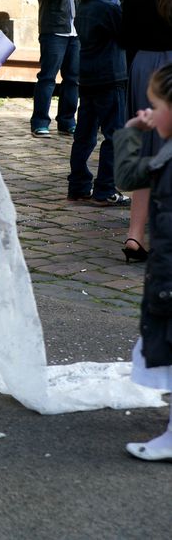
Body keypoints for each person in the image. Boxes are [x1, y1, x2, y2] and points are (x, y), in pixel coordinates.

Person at [114, 63, 172, 461]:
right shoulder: (166, 153)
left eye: (155, 105)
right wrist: (134, 132)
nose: (149, 111)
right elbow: (128, 177)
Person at [67, 0, 129, 207]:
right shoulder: (107, 9)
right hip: (110, 76)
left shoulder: (83, 7)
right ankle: (104, 189)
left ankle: (79, 185)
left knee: (85, 134)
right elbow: (125, 37)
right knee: (114, 135)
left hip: (88, 77)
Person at [119, 0, 166, 263]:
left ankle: (135, 235)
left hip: (142, 65)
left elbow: (125, 34)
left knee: (147, 150)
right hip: (167, 68)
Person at [30, 0, 80, 138]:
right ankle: (40, 122)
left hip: (75, 29)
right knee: (48, 77)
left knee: (73, 78)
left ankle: (67, 121)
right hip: (53, 29)